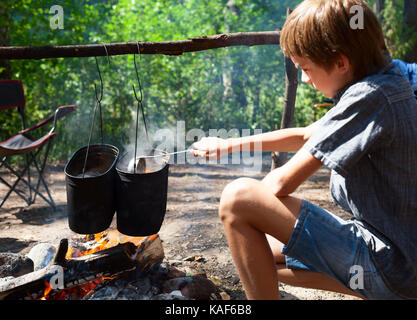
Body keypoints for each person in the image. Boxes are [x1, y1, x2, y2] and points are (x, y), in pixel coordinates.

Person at [192, 0, 417, 300]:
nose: (307, 79)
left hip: (394, 266)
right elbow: (305, 135)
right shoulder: (385, 81)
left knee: (237, 199)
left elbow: (282, 183)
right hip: (401, 262)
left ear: (341, 62)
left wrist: (257, 207)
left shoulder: (370, 97)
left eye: (306, 69)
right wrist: (227, 146)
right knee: (256, 252)